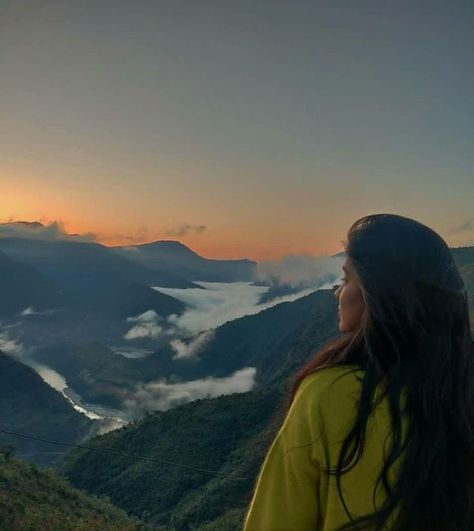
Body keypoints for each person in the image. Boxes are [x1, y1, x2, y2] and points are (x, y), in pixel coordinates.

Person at [243, 213, 474, 531]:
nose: (338, 292)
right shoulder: (461, 392)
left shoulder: (330, 395)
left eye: (348, 279)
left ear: (380, 294)